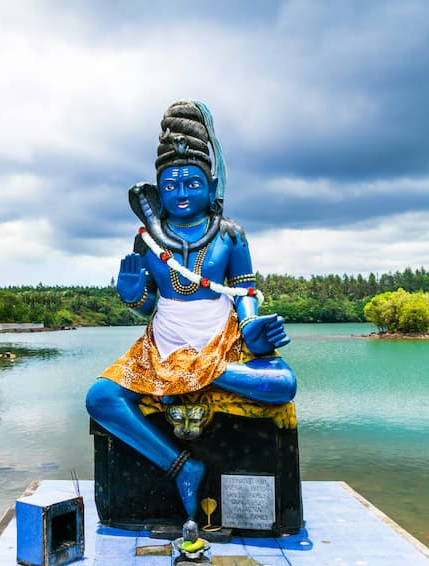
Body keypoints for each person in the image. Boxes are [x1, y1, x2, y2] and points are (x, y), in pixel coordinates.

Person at [85, 101, 296, 520]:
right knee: (101, 397)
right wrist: (132, 295)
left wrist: (252, 327)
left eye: (192, 184)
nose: (181, 195)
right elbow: (148, 305)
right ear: (158, 189)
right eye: (171, 186)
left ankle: (202, 373)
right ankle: (179, 465)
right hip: (162, 345)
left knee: (282, 384)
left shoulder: (230, 235)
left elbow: (244, 293)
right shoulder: (148, 240)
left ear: (211, 184)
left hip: (220, 342)